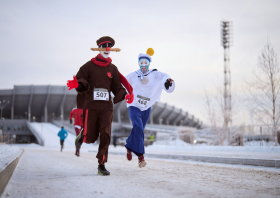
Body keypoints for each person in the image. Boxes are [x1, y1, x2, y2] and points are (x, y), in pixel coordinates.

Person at [67, 36, 134, 176]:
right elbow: (81, 79)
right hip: (91, 106)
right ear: (99, 48)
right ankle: (82, 136)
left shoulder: (113, 69)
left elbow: (118, 87)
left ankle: (101, 164)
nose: (107, 48)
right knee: (90, 138)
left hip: (106, 107)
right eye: (104, 46)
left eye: (110, 46)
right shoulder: (88, 66)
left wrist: (124, 95)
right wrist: (77, 84)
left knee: (105, 134)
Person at [125, 48, 175, 168]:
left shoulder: (155, 74)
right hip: (134, 106)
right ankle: (141, 158)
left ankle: (129, 145)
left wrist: (167, 81)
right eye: (141, 63)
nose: (143, 65)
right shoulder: (133, 75)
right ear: (138, 63)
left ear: (149, 63)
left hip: (146, 108)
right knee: (138, 127)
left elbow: (164, 76)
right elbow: (120, 82)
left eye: (145, 63)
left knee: (139, 129)